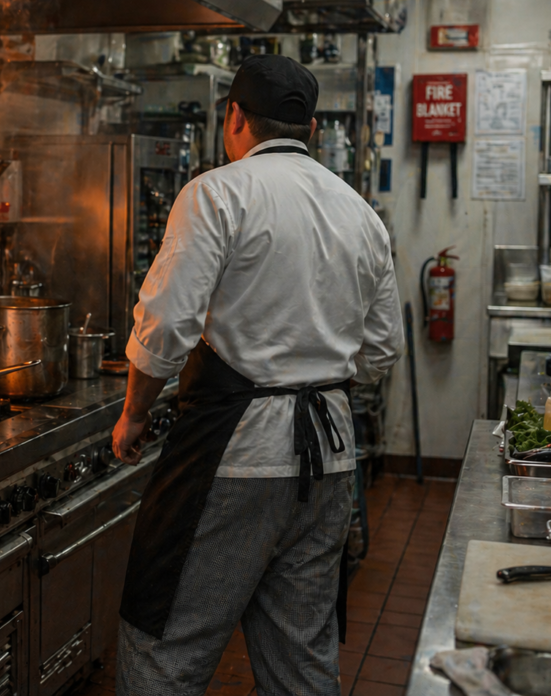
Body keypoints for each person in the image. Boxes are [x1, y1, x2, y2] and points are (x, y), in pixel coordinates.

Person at [111, 54, 404, 696]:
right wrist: (313, 368)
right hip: (327, 464)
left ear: (234, 116)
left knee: (166, 649)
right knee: (300, 659)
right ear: (313, 128)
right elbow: (382, 352)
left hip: (234, 459)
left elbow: (164, 327)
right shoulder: (360, 214)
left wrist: (134, 412)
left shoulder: (216, 193)